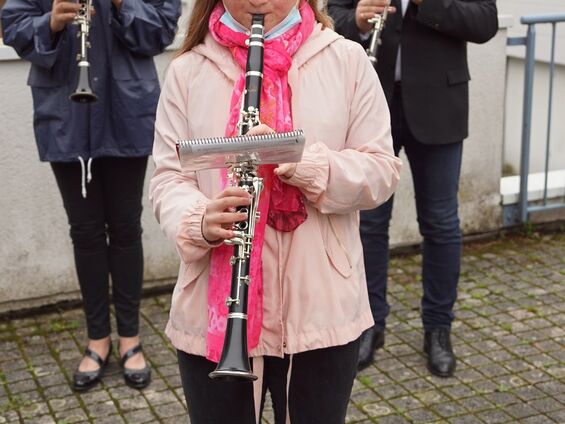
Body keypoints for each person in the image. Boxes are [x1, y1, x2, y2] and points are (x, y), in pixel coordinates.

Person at [149, 0, 402, 421]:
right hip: (210, 314)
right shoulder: (188, 70)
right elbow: (168, 178)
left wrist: (306, 164)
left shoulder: (347, 59)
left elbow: (381, 171)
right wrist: (200, 220)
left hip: (320, 310)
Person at [1, 0, 181, 391]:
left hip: (125, 107)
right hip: (66, 110)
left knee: (125, 227)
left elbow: (163, 29)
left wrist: (121, 4)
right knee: (84, 232)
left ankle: (130, 338)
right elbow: (12, 23)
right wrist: (49, 22)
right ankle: (97, 338)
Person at [327, 0, 498, 376]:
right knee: (368, 224)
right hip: (371, 102)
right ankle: (369, 325)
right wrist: (354, 21)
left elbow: (486, 22)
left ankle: (438, 329)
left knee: (440, 222)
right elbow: (325, 13)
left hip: (440, 102)